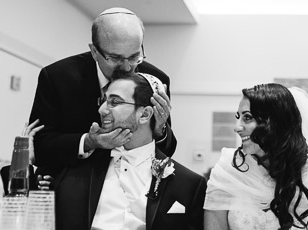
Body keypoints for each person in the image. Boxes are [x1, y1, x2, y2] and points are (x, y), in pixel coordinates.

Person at [29, 7, 176, 178]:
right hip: (70, 184)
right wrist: (89, 142)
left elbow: (167, 151)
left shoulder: (154, 79)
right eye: (115, 58)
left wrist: (160, 131)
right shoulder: (58, 77)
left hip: (134, 185)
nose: (128, 67)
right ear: (94, 51)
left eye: (134, 56)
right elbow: (40, 146)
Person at [54, 71, 207, 230]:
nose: (102, 109)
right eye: (104, 100)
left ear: (145, 114)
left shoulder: (189, 184)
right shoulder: (75, 173)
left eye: (114, 102)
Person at [204, 83, 308, 230]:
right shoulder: (227, 170)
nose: (237, 127)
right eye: (238, 118)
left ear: (274, 122)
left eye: (247, 117)